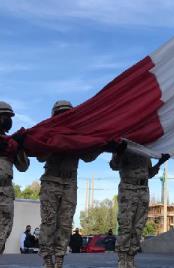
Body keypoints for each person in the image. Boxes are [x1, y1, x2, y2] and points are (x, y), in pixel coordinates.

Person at [38, 100, 101, 268]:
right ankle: (47, 259)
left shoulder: (77, 135)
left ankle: (59, 258)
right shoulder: (47, 132)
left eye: (67, 113)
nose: (64, 116)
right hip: (51, 181)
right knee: (49, 222)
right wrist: (54, 142)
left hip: (69, 183)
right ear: (54, 115)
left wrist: (100, 145)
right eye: (60, 113)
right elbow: (40, 156)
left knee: (66, 224)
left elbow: (87, 157)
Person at [109, 141, 169, 268]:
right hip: (128, 188)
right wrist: (119, 152)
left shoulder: (145, 151)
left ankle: (131, 258)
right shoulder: (124, 145)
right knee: (126, 225)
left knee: (138, 226)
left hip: (143, 190)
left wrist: (160, 162)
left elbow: (150, 173)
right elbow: (114, 165)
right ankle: (122, 259)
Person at [0, 101, 30, 254]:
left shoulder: (12, 143)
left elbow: (23, 167)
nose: (6, 120)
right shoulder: (7, 143)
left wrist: (19, 147)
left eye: (8, 116)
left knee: (4, 230)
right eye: (3, 116)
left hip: (5, 192)